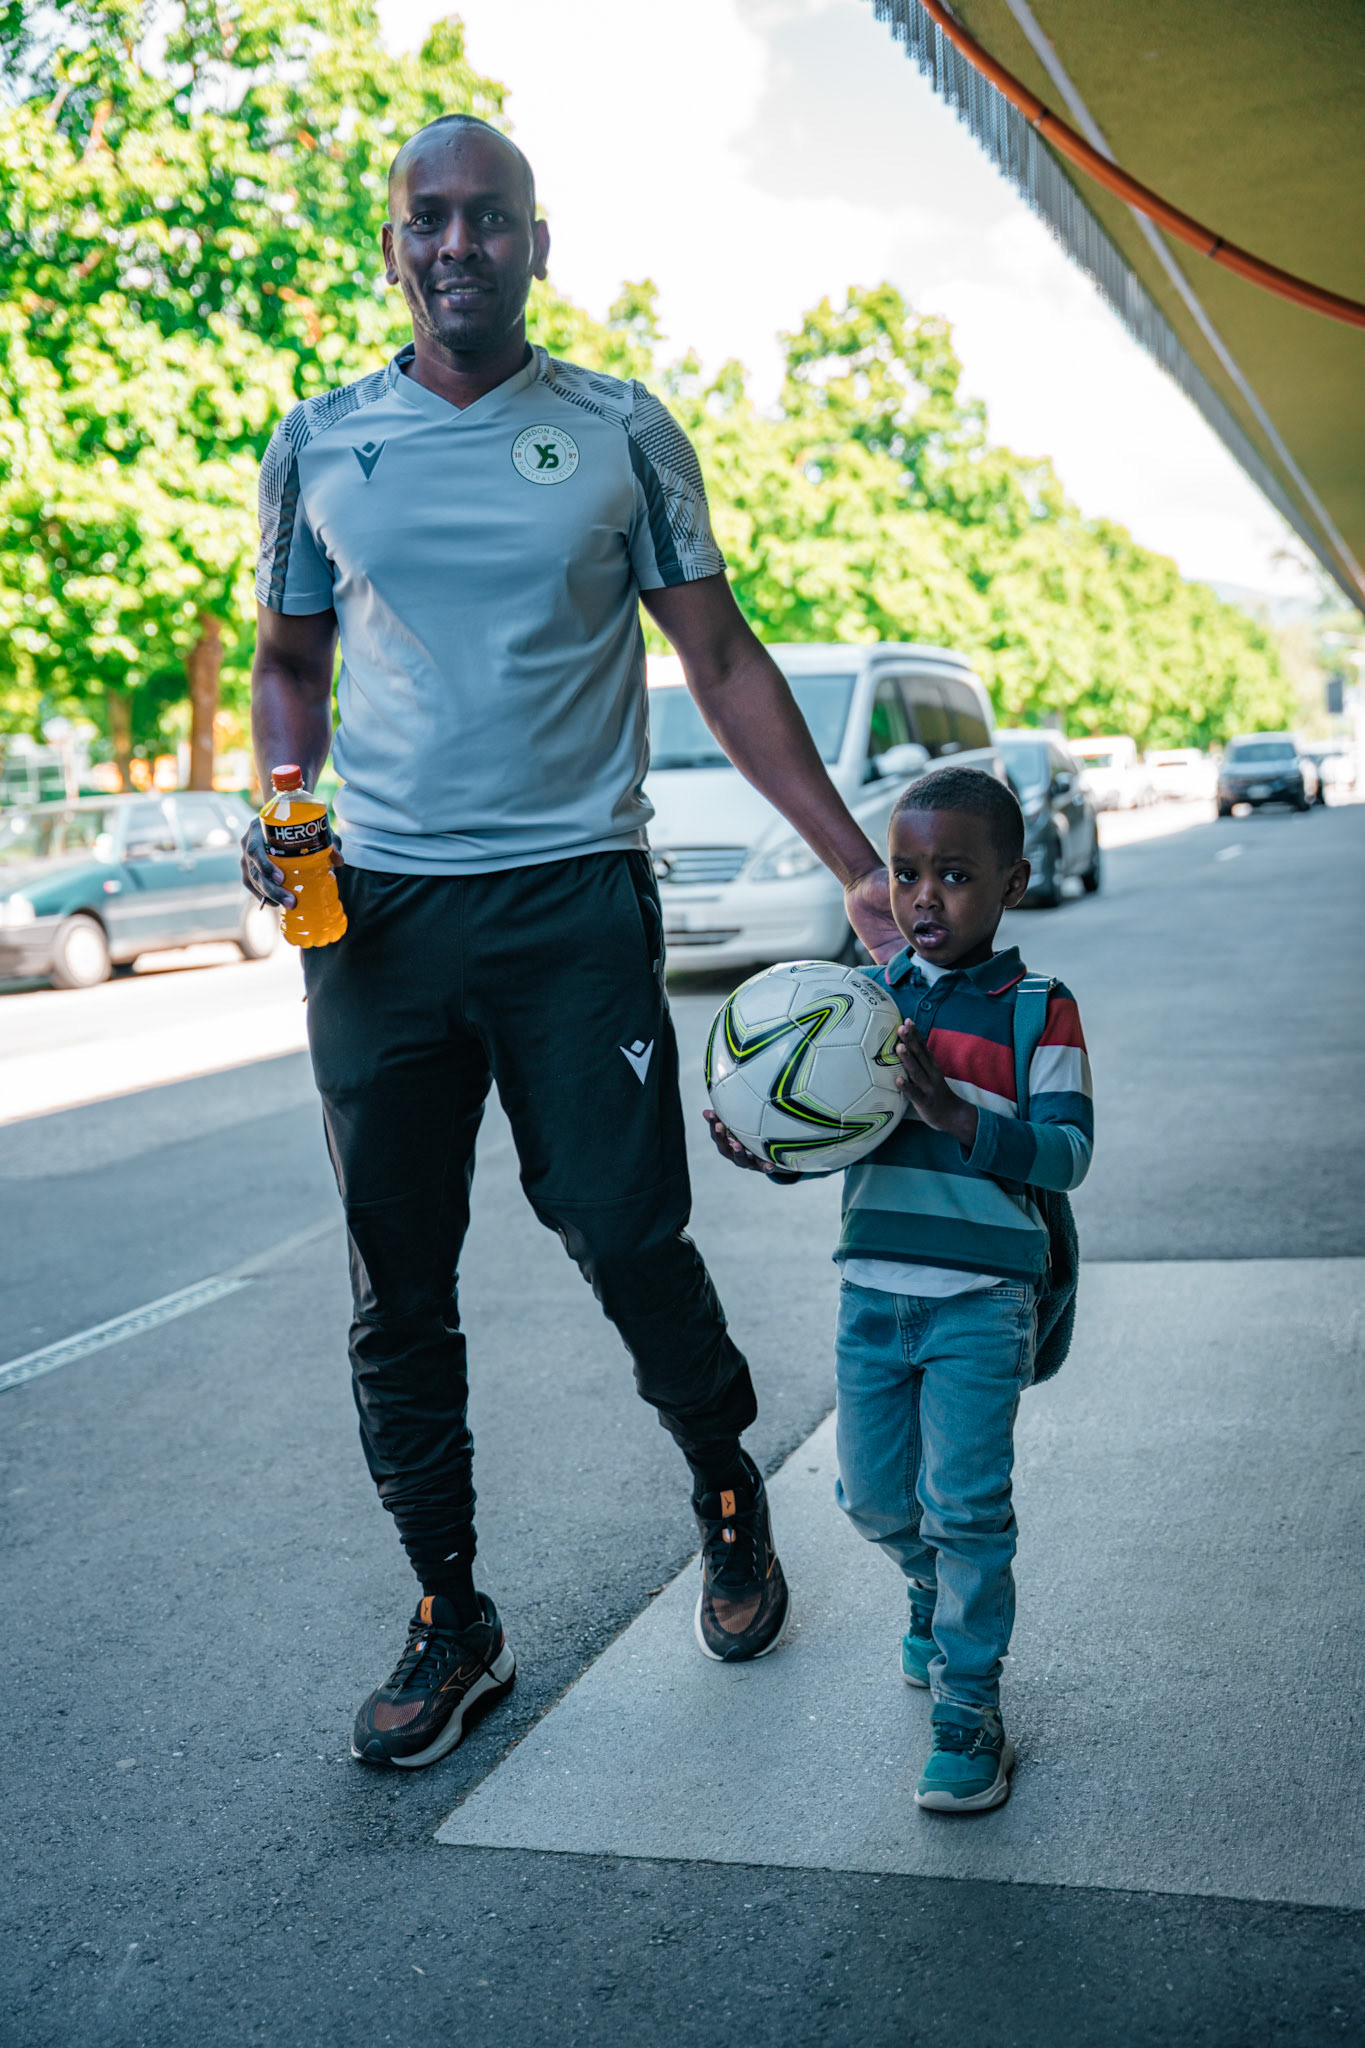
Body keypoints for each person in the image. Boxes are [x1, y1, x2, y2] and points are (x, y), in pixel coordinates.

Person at [240, 113, 900, 1769]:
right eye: (429, 218)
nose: (458, 243)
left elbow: (726, 658)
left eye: (492, 217)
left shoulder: (621, 434)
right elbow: (287, 666)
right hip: (375, 920)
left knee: (627, 1231)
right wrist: (280, 801)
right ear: (391, 246)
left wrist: (855, 862)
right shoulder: (317, 445)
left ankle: (727, 1482)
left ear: (542, 241)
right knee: (398, 1287)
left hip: (572, 902)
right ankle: (450, 1613)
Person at [707, 766, 1093, 1811]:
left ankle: (969, 1708)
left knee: (967, 1508)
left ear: (1011, 884)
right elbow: (842, 1137)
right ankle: (925, 1585)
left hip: (983, 1300)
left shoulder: (1036, 1011)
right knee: (876, 1496)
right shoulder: (869, 999)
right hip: (872, 1294)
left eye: (957, 875)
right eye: (907, 872)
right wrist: (775, 1150)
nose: (926, 897)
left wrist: (955, 1111)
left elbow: (1065, 1155)